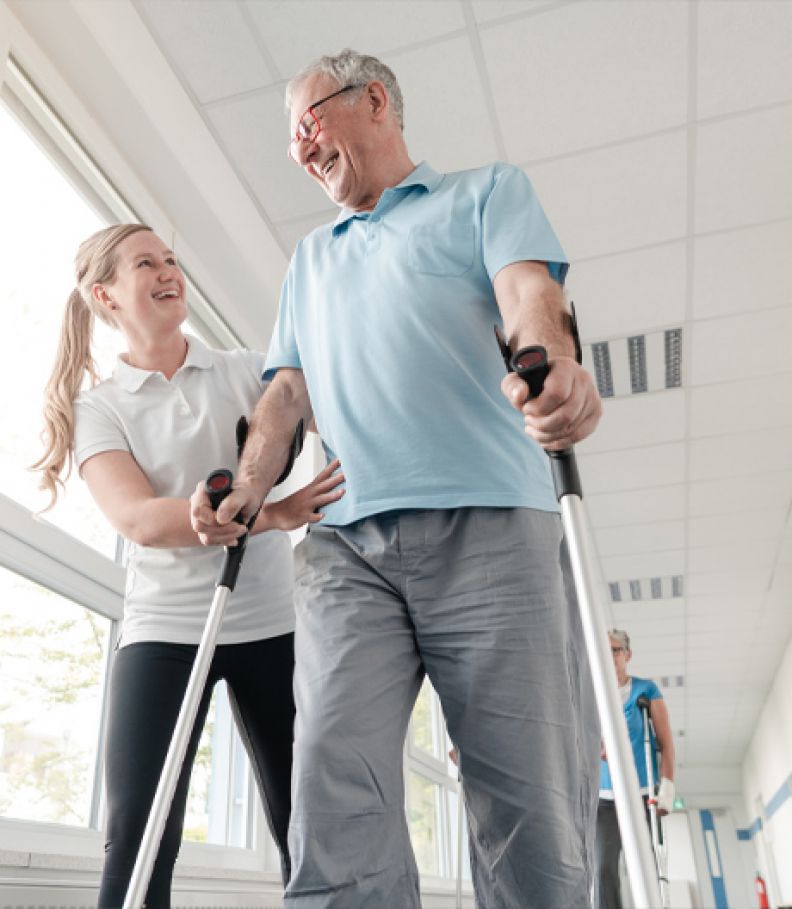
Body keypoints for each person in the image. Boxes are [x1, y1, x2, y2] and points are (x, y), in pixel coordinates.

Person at [191, 49, 603, 909]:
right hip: (349, 549)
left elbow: (529, 292)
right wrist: (247, 489)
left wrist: (552, 361)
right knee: (332, 788)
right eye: (291, 141)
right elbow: (283, 396)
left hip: (491, 526)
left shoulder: (483, 194)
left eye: (309, 123)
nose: (301, 150)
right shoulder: (310, 261)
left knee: (526, 798)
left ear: (373, 100)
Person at [33, 223, 345, 908]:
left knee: (312, 826)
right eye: (147, 262)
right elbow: (140, 519)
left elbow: (339, 412)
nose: (168, 269)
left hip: (270, 622)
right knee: (139, 837)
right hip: (164, 632)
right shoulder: (100, 406)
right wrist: (271, 515)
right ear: (105, 294)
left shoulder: (243, 369)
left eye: (171, 258)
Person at [596, 629, 676, 909]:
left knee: (644, 866)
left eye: (615, 650)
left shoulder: (646, 690)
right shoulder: (592, 693)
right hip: (605, 798)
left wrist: (667, 786)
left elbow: (665, 743)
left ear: (627, 655)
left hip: (641, 793)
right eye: (604, 651)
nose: (610, 657)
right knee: (603, 869)